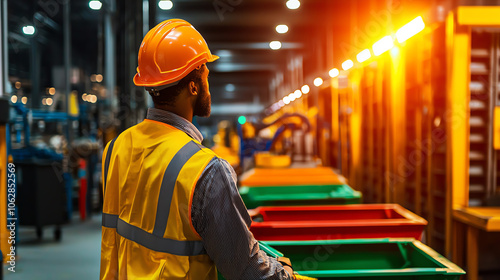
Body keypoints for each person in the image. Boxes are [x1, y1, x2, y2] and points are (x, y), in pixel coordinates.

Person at [100, 19, 295, 280]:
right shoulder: (206, 170)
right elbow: (245, 271)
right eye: (206, 75)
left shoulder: (116, 147)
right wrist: (284, 273)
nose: (208, 86)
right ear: (194, 86)